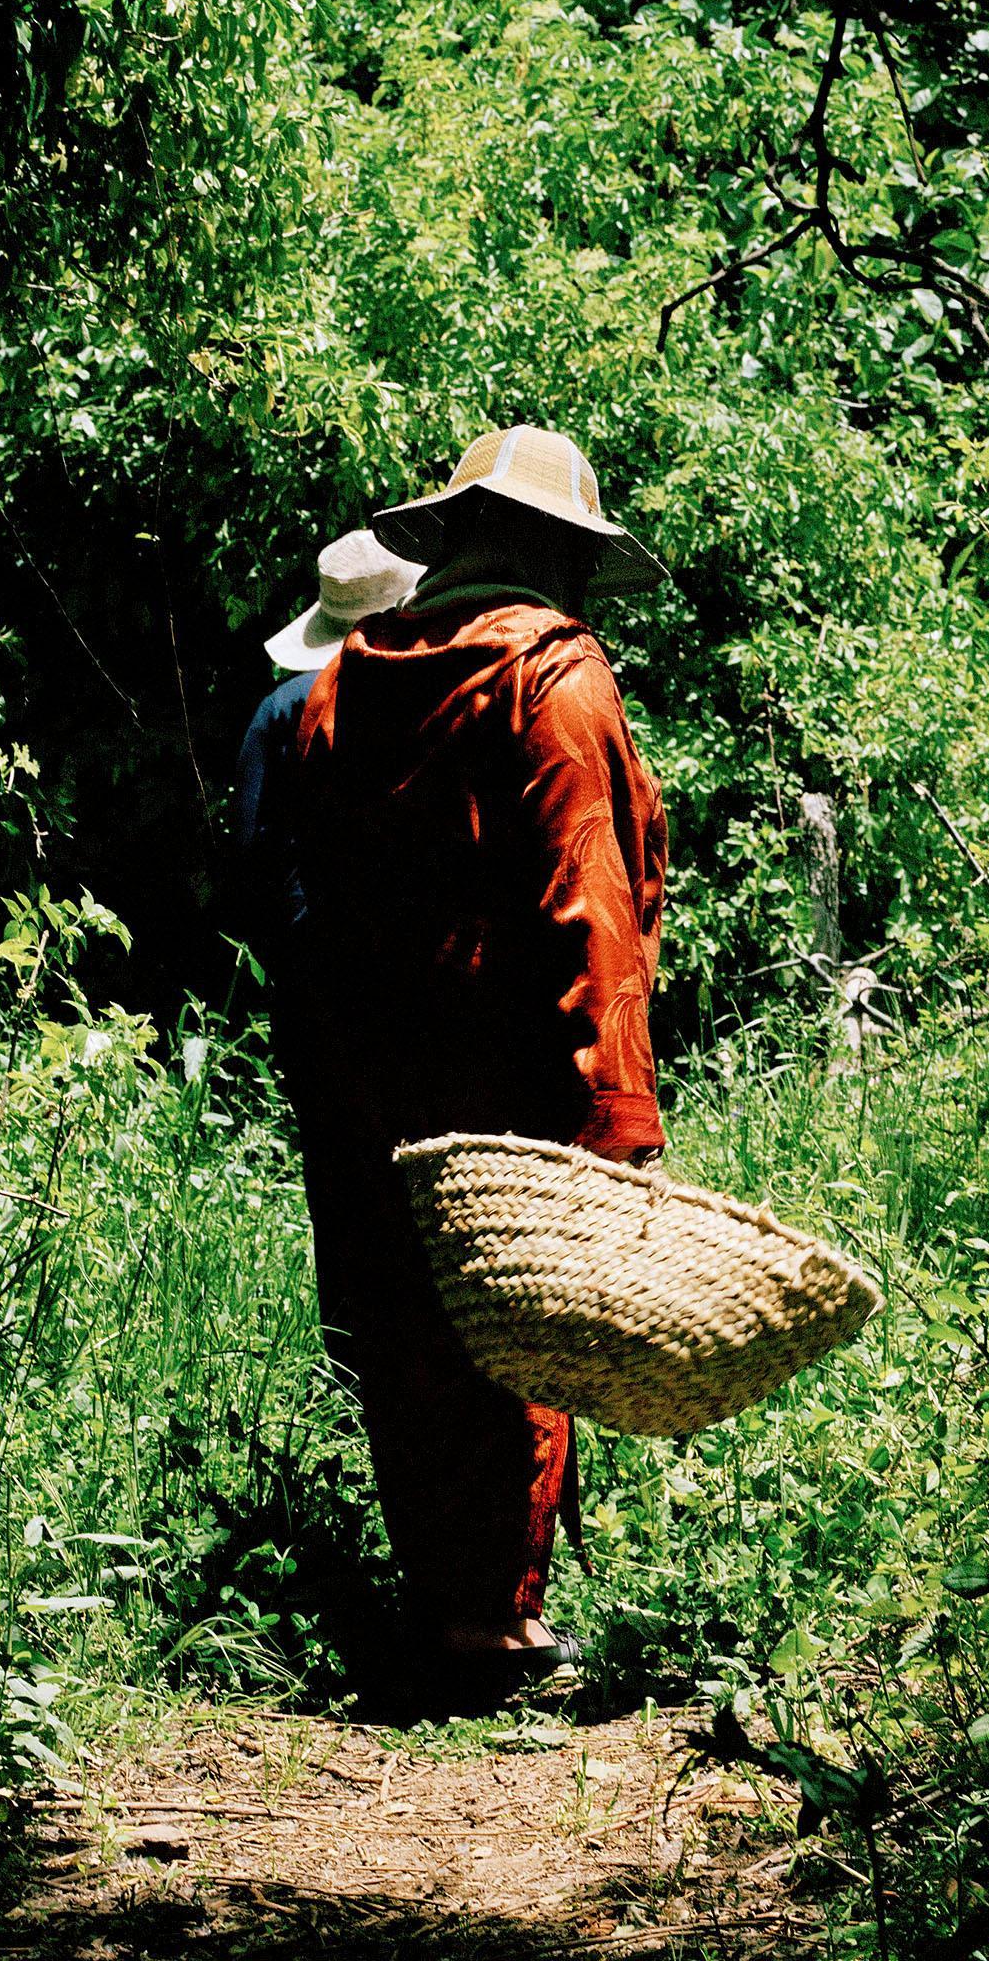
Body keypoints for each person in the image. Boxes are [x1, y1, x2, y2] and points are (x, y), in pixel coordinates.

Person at [287, 425, 670, 1703]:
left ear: (452, 541)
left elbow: (320, 900)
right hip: (508, 1074)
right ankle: (497, 1631)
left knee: (409, 1327)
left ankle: (441, 1606)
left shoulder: (344, 682)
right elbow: (589, 897)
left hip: (366, 1076)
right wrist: (617, 1109)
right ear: (558, 552)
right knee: (518, 1331)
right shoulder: (556, 679)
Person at [233, 529, 425, 995]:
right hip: (424, 966)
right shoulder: (435, 695)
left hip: (315, 968)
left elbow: (252, 855)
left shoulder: (280, 710)